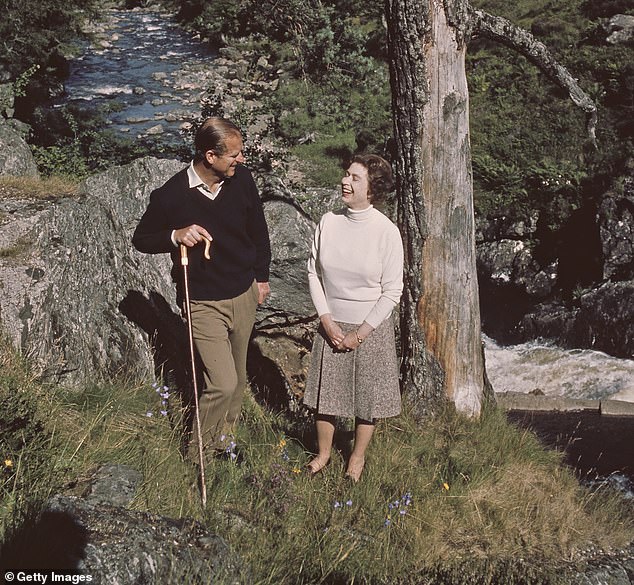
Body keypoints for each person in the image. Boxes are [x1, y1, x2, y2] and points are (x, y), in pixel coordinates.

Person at [132, 117, 271, 463]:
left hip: (243, 293)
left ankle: (224, 444)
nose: (240, 160)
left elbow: (259, 231)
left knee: (238, 381)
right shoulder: (170, 196)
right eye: (234, 155)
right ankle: (198, 456)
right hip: (201, 301)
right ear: (211, 156)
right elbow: (141, 239)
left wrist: (262, 277)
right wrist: (175, 236)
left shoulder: (242, 181)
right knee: (221, 383)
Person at [304, 153, 404, 482]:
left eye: (355, 178)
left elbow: (392, 291)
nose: (345, 181)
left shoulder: (387, 233)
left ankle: (357, 458)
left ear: (372, 190)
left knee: (367, 399)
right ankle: (323, 454)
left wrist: (359, 334)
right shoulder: (328, 222)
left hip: (369, 328)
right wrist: (327, 321)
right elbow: (313, 273)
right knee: (326, 397)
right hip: (332, 323)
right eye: (346, 174)